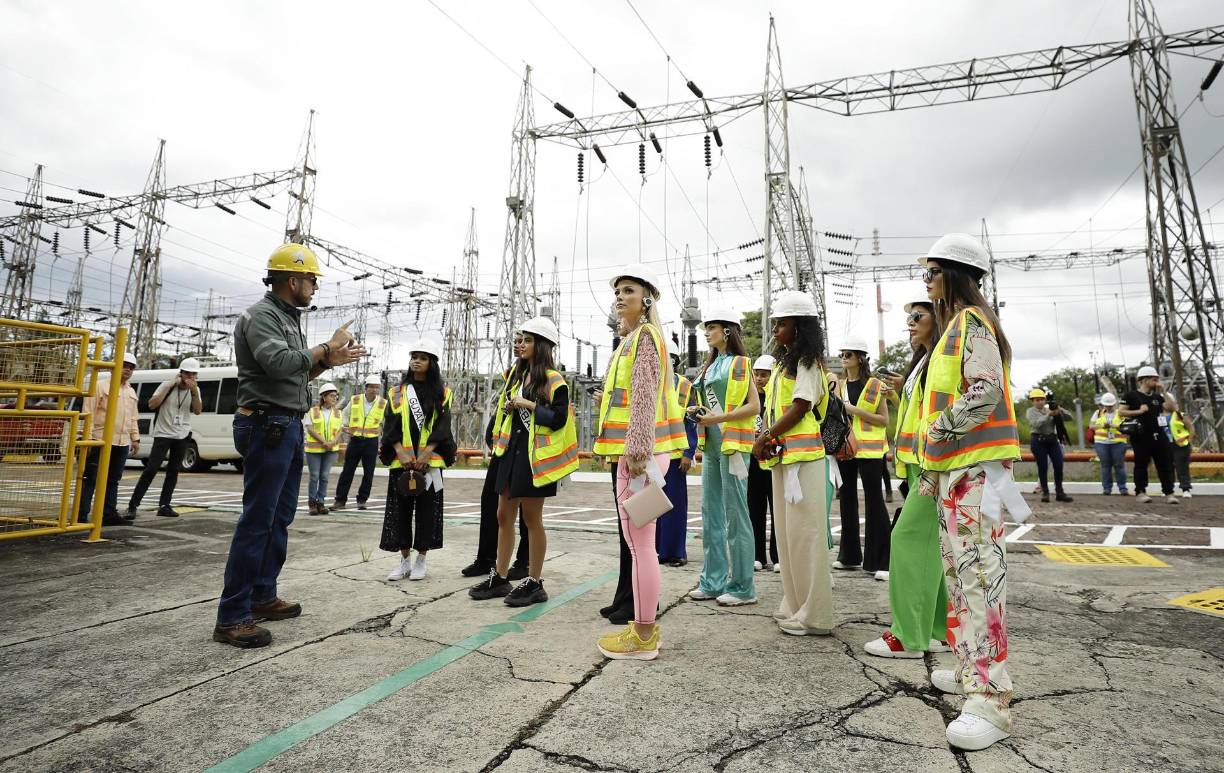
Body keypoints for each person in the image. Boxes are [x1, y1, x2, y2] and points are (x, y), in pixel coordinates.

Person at [215, 243, 365, 648]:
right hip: (266, 425)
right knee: (257, 521)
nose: (315, 287)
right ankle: (232, 616)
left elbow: (295, 373)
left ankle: (263, 595)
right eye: (312, 280)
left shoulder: (286, 317)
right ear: (293, 280)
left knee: (279, 517)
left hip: (286, 424)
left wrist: (328, 362)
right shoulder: (261, 316)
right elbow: (279, 363)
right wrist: (324, 348)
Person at [917, 233, 1029, 751]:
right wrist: (930, 463)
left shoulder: (971, 324)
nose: (927, 282)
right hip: (956, 474)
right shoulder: (952, 330)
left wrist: (935, 431)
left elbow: (983, 392)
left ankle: (991, 697)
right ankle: (970, 670)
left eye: (933, 273)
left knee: (981, 580)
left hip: (977, 475)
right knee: (961, 584)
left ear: (956, 276)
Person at [595, 265, 687, 660]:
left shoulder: (645, 338)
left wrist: (634, 451)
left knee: (640, 545)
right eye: (617, 291)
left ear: (647, 299)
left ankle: (645, 635)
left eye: (628, 291)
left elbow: (646, 398)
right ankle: (643, 629)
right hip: (641, 454)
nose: (619, 296)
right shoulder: (632, 340)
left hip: (643, 456)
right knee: (641, 544)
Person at [469, 317, 577, 606]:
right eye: (520, 340)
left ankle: (534, 582)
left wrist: (529, 405)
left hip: (534, 460)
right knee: (503, 516)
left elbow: (558, 419)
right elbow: (507, 412)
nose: (521, 345)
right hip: (510, 454)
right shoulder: (515, 376)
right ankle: (501, 577)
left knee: (531, 520)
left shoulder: (555, 380)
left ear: (541, 346)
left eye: (527, 340)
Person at [863, 296, 950, 659]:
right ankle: (937, 630)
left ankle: (908, 637)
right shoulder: (922, 362)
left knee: (908, 538)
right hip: (919, 463)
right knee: (929, 548)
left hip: (932, 464)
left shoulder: (941, 359)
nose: (911, 323)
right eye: (908, 318)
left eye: (918, 315)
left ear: (939, 317)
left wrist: (930, 466)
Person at [751, 290, 834, 637]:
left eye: (781, 324)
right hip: (785, 460)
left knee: (807, 538)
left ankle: (815, 615)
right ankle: (794, 601)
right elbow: (776, 409)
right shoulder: (786, 363)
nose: (775, 331)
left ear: (799, 327)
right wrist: (770, 441)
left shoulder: (809, 362)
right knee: (787, 538)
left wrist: (765, 437)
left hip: (805, 461)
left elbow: (800, 407)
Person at [688, 307, 760, 606]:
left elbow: (755, 407)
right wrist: (697, 412)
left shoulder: (740, 363)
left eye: (712, 327)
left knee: (735, 515)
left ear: (727, 330)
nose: (706, 332)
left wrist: (718, 419)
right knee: (710, 515)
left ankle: (743, 586)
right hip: (712, 446)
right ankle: (713, 580)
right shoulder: (709, 367)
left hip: (733, 446)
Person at [382, 337, 454, 582]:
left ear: (431, 363)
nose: (416, 361)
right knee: (399, 513)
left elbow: (443, 428)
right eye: (414, 357)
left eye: (422, 358)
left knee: (426, 513)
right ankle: (404, 562)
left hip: (430, 463)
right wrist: (401, 452)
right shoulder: (396, 393)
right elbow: (390, 425)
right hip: (400, 463)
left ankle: (421, 560)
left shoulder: (443, 394)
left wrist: (425, 453)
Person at [832, 339, 891, 580]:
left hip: (871, 451)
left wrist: (854, 410)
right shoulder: (839, 385)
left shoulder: (875, 385)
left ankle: (881, 561)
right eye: (842, 354)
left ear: (860, 358)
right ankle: (849, 556)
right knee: (846, 500)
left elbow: (884, 420)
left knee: (874, 501)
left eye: (848, 354)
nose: (844, 358)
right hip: (847, 449)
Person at [125, 358, 203, 520]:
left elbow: (197, 411)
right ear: (180, 373)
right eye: (187, 373)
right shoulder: (167, 385)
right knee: (151, 469)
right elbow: (152, 405)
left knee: (173, 471)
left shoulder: (195, 390)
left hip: (182, 434)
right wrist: (169, 385)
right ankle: (133, 504)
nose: (190, 377)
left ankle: (164, 505)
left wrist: (194, 391)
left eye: (193, 374)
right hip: (163, 433)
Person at [78, 351, 140, 527]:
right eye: (124, 366)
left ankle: (108, 514)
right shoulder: (100, 386)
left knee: (113, 479)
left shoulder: (131, 391)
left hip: (121, 442)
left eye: (131, 367)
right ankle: (81, 513)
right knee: (92, 477)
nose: (127, 370)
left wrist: (135, 438)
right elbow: (88, 412)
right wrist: (88, 439)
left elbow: (133, 417)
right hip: (100, 440)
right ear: (115, 367)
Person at [656, 336, 698, 568]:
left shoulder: (684, 386)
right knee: (654, 505)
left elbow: (691, 422)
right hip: (653, 453)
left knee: (675, 506)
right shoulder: (649, 382)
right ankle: (655, 550)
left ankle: (674, 552)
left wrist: (688, 452)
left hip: (674, 455)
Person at [1120, 366, 1177, 505]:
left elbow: (1172, 408)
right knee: (1141, 464)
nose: (1157, 382)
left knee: (1165, 464)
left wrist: (1164, 391)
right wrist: (1138, 412)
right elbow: (1121, 412)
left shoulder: (1158, 396)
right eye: (1154, 379)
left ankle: (1169, 492)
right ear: (1144, 380)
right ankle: (1140, 491)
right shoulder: (1131, 396)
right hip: (1141, 436)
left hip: (1159, 434)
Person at [332, 374, 387, 511]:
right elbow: (344, 414)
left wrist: (382, 428)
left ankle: (362, 499)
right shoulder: (355, 400)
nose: (374, 390)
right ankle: (340, 500)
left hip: (371, 441)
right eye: (372, 387)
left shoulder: (383, 403)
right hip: (355, 440)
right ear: (366, 388)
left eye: (377, 388)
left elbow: (388, 420)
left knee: (369, 472)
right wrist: (345, 426)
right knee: (347, 471)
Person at [748, 354, 779, 572]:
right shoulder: (749, 400)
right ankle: (757, 554)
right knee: (755, 507)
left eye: (765, 375)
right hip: (753, 457)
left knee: (777, 508)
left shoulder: (776, 398)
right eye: (757, 375)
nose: (760, 379)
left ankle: (778, 556)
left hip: (774, 456)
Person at [1025, 388, 1072, 504]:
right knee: (1043, 467)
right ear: (1033, 401)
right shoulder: (1031, 411)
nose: (1040, 402)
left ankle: (1059, 492)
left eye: (1042, 399)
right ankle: (1045, 492)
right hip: (1038, 440)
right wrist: (1048, 415)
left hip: (1052, 439)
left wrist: (1061, 410)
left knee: (1058, 464)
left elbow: (1070, 418)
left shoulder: (1049, 408)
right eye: (1037, 400)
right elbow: (1035, 424)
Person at [303, 383, 343, 515]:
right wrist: (324, 442)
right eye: (332, 396)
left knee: (325, 476)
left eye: (335, 396)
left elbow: (340, 430)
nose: (334, 398)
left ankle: (321, 502)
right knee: (314, 476)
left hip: (331, 449)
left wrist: (332, 442)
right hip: (314, 450)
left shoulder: (338, 413)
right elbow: (310, 428)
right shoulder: (313, 411)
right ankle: (312, 503)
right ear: (324, 397)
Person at [1090, 393, 1128, 496]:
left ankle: (1122, 488)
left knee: (1119, 465)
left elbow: (1126, 426)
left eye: (1110, 405)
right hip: (1101, 442)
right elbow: (1091, 426)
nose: (1108, 407)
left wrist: (1113, 426)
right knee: (1105, 465)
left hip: (1118, 442)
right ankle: (1107, 488)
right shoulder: (1098, 413)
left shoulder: (1120, 413)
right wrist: (1102, 425)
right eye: (1106, 405)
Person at [1164, 401, 1195, 498]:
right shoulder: (1159, 416)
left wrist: (1189, 441)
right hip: (1166, 445)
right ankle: (1169, 489)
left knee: (1181, 467)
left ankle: (1185, 488)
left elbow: (1191, 428)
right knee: (1168, 468)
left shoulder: (1179, 415)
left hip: (1180, 445)